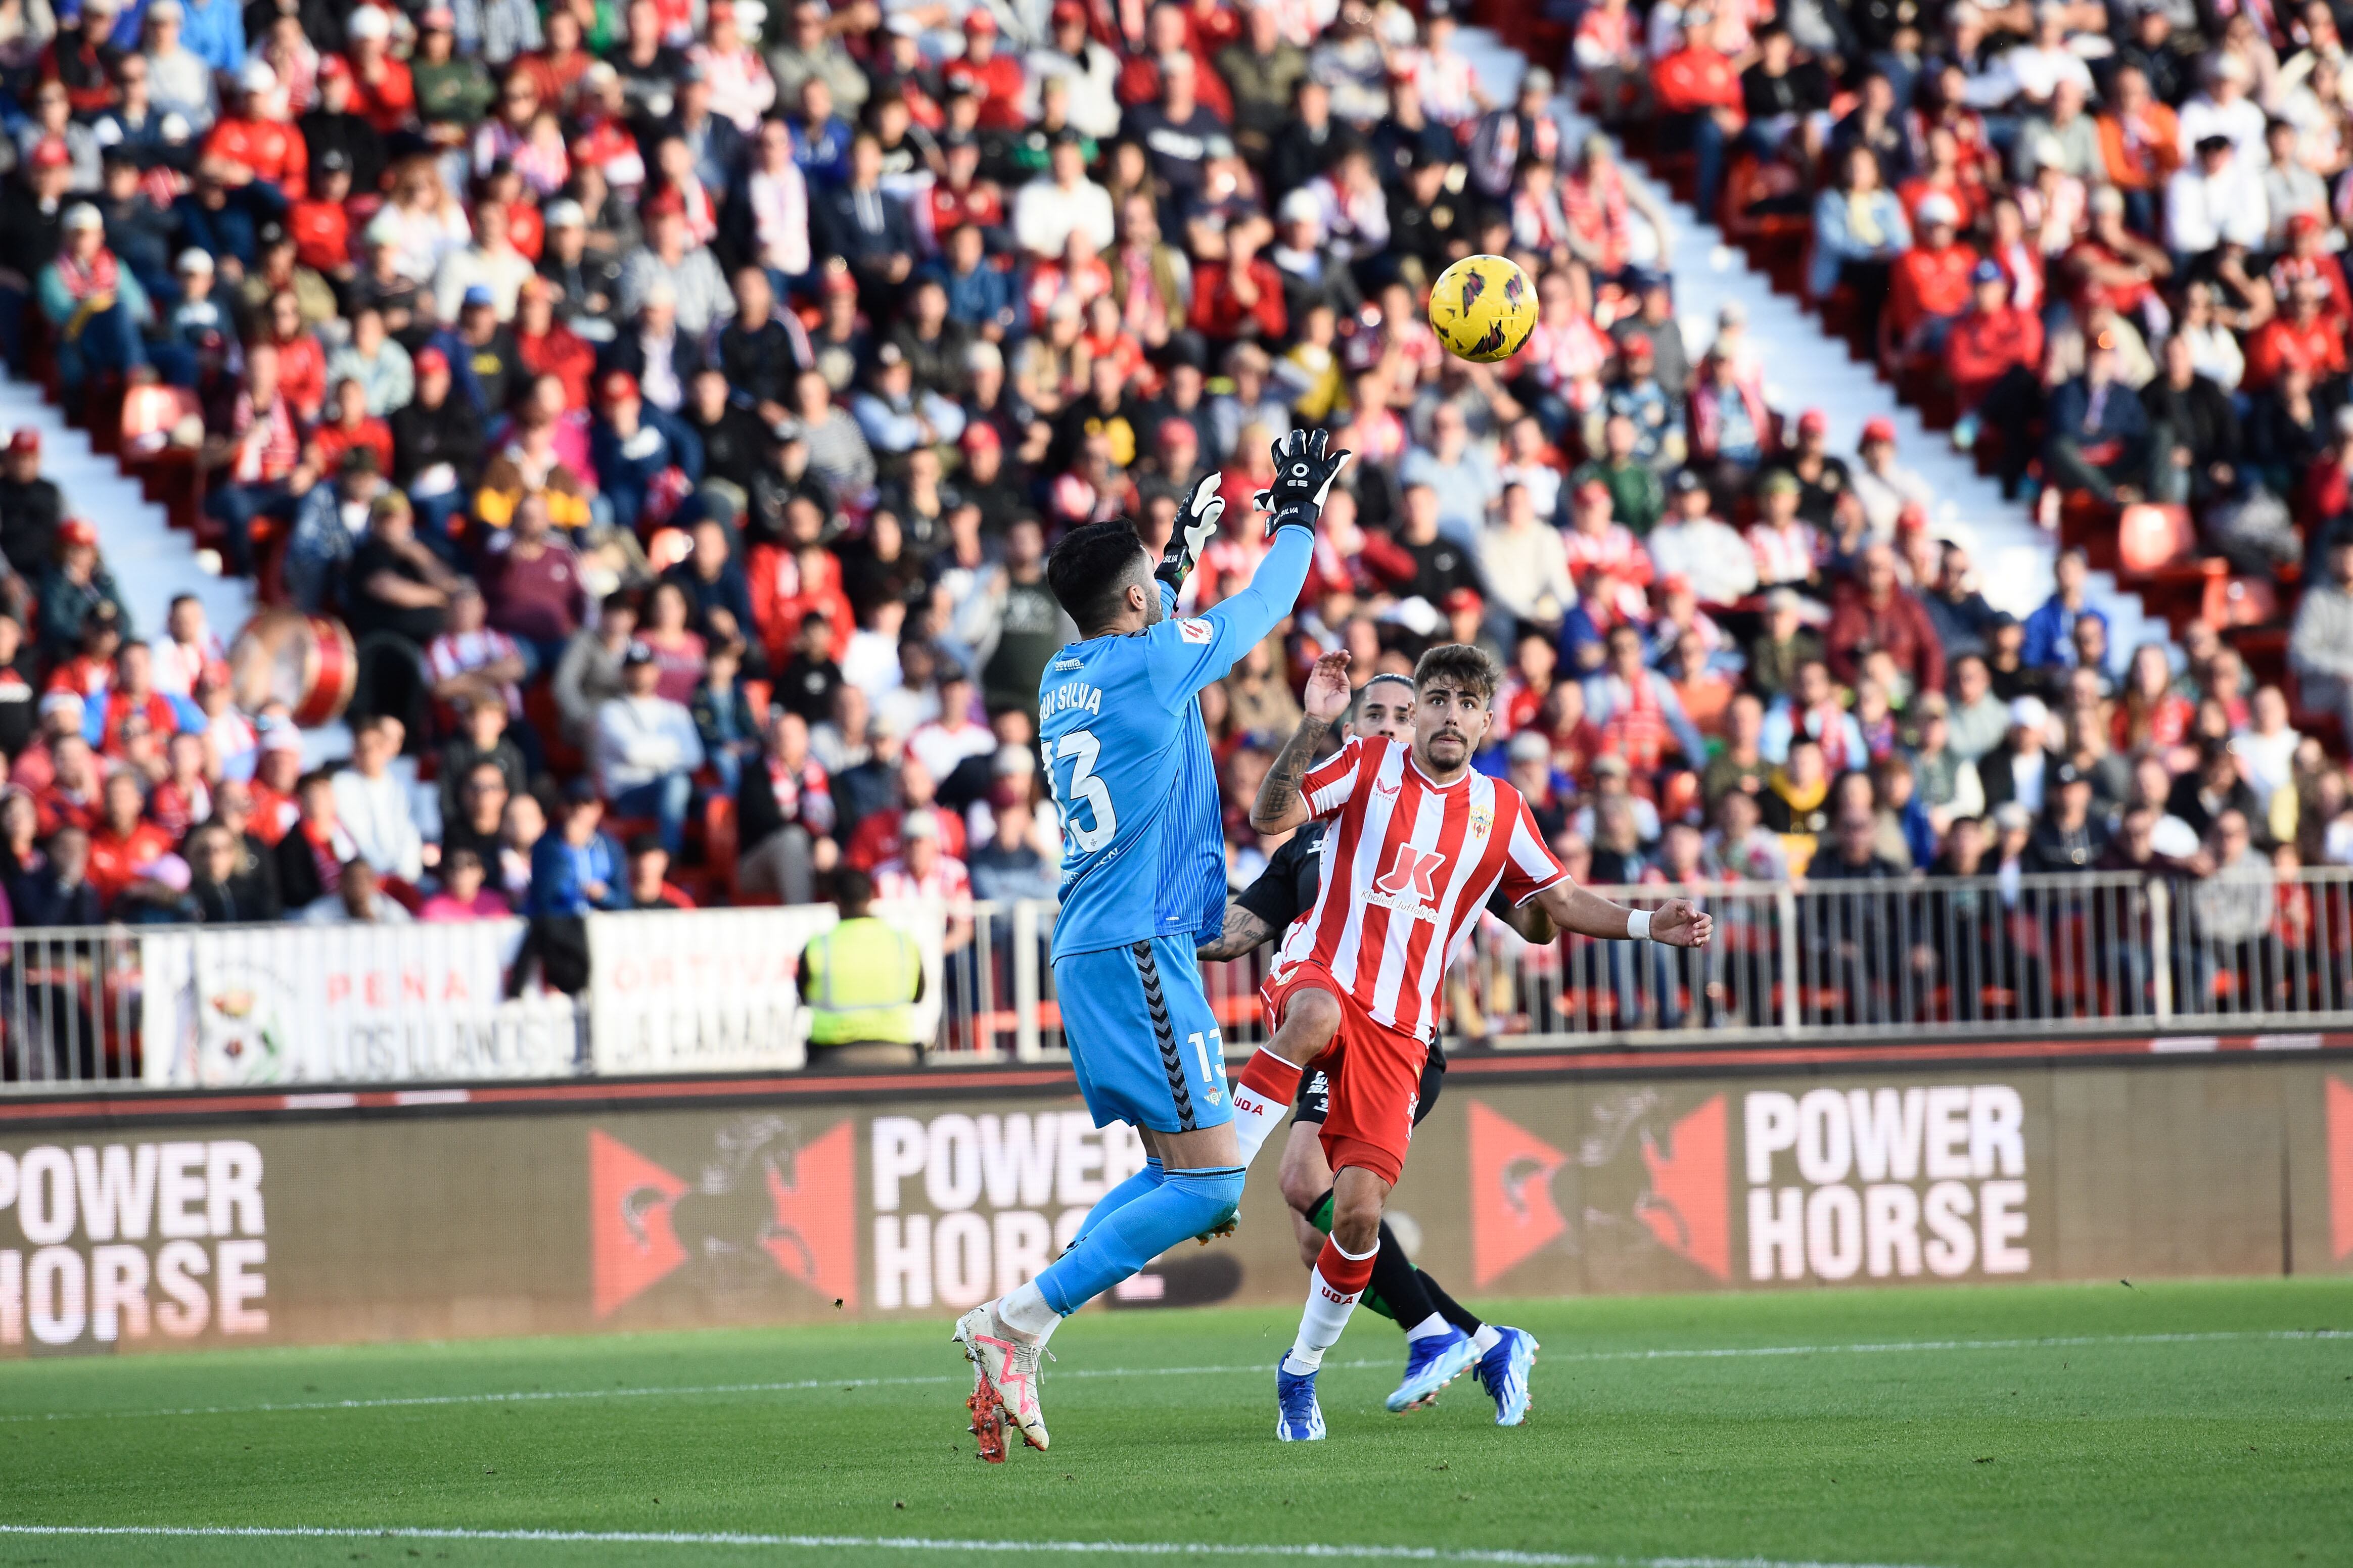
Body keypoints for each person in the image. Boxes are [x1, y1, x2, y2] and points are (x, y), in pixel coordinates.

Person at [951, 432, 1333, 1461]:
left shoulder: (1066, 673)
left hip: (1100, 944)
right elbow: (1270, 603)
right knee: (1209, 1187)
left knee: (1186, 1186)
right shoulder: (1154, 659)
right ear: (1133, 606)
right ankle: (1017, 1320)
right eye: (1153, 592)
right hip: (1134, 947)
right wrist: (1294, 509)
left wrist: (1171, 563)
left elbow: (1147, 629)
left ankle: (1027, 1325)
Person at [1234, 640, 1710, 1441]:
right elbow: (1269, 817)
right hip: (1323, 976)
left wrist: (1641, 924)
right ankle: (1221, 1167)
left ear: (1485, 721)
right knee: (1308, 1042)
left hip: (1401, 1030)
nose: (1449, 714)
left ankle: (1303, 1371)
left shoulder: (1499, 810)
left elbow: (1554, 902)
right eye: (1437, 698)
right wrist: (1313, 726)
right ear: (1413, 710)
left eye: (1465, 702)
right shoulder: (1366, 764)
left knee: (1352, 1216)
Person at [1195, 670, 1545, 1423]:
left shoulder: (1461, 817)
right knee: (1323, 1227)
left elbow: (1529, 909)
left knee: (1304, 1180)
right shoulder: (1312, 842)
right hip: (1323, 1023)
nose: (1391, 726)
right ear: (1355, 730)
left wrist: (1546, 907)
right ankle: (1477, 1337)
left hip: (1392, 1037)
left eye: (1401, 714)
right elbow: (1231, 935)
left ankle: (1393, 1345)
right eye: (1376, 716)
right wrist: (1150, 921)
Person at [797, 866, 925, 1066]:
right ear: (872, 897)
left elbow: (804, 998)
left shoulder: (818, 947)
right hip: (898, 1053)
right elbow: (918, 996)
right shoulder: (903, 943)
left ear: (836, 901)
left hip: (834, 1057)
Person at [593, 641, 705, 857]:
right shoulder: (611, 711)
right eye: (634, 669)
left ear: (656, 671)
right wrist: (672, 749)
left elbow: (695, 757)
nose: (640, 674)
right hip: (629, 795)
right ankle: (670, 856)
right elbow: (632, 753)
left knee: (708, 796)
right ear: (624, 673)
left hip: (671, 790)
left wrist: (650, 751)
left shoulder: (675, 711)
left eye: (645, 668)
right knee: (677, 783)